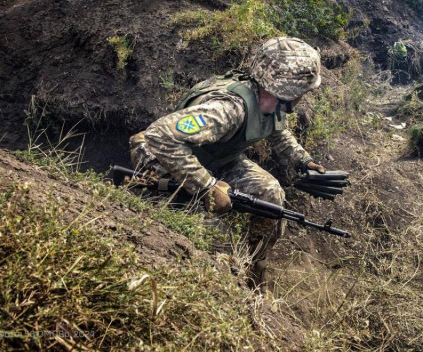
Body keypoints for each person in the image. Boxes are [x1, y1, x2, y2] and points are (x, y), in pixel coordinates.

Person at [129, 37, 326, 293]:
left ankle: (254, 268)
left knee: (271, 194)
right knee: (215, 235)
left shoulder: (271, 103)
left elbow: (277, 130)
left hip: (218, 159)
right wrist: (207, 187)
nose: (304, 96)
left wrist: (303, 159)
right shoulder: (228, 109)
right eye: (304, 90)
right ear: (288, 89)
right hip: (165, 160)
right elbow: (160, 136)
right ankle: (222, 284)